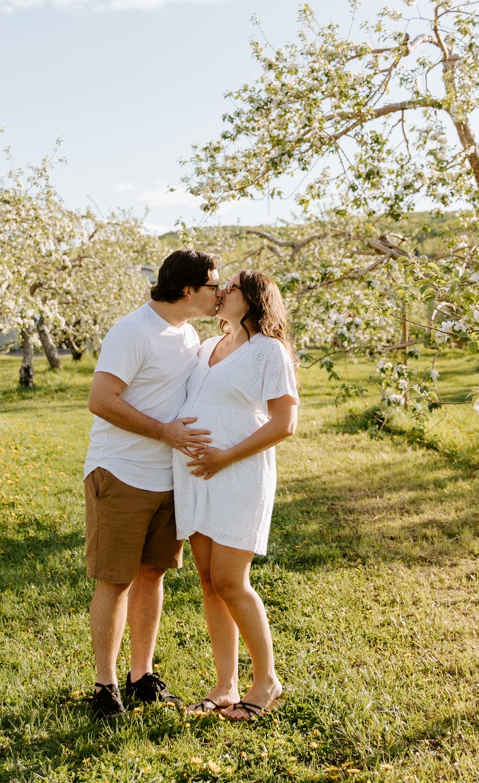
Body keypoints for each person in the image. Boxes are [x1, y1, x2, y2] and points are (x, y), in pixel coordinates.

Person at [82, 248, 222, 721]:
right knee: (116, 580)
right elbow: (101, 399)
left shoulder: (188, 334)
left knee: (151, 574)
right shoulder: (132, 331)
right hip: (121, 473)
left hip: (170, 479)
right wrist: (165, 432)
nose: (219, 293)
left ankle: (141, 676)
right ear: (187, 289)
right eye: (212, 286)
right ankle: (105, 687)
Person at [173, 270, 298, 721]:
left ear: (252, 301)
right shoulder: (208, 346)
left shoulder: (268, 351)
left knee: (230, 581)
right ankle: (225, 685)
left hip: (238, 473)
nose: (221, 293)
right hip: (197, 476)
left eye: (231, 290)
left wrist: (224, 457)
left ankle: (266, 681)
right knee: (208, 583)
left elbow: (284, 423)